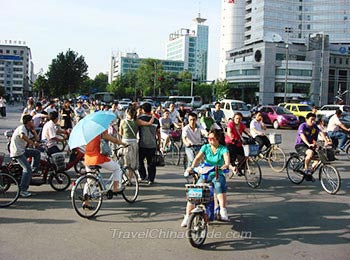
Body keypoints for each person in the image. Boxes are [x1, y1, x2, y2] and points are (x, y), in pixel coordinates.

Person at [181, 129, 230, 227]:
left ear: (218, 139)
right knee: (194, 192)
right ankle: (187, 216)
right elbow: (198, 159)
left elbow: (226, 161)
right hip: (205, 174)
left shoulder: (223, 149)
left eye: (212, 138)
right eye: (209, 138)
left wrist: (225, 165)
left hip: (217, 173)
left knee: (219, 185)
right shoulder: (205, 147)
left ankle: (223, 209)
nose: (210, 140)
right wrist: (192, 167)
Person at [84, 131, 128, 206]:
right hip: (97, 158)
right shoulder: (100, 131)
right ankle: (115, 188)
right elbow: (114, 140)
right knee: (117, 168)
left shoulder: (86, 132)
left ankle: (86, 202)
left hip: (87, 159)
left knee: (90, 181)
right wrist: (123, 144)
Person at [9, 115, 41, 197]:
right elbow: (22, 136)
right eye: (32, 121)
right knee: (27, 169)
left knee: (36, 153)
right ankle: (22, 190)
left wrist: (34, 131)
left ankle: (34, 170)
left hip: (22, 150)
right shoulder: (22, 128)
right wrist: (33, 143)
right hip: (17, 152)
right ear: (28, 122)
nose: (33, 122)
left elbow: (36, 139)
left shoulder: (28, 129)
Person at [295, 113, 330, 179]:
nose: (313, 121)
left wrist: (326, 141)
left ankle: (310, 173)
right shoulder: (303, 126)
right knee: (310, 153)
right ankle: (305, 169)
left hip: (310, 146)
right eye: (311, 120)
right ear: (306, 119)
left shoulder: (314, 126)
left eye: (314, 120)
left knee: (319, 158)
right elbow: (302, 136)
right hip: (300, 145)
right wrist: (308, 144)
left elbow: (320, 132)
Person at [137, 102, 161, 185]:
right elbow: (158, 133)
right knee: (151, 163)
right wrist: (159, 143)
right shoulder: (156, 120)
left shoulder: (140, 119)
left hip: (142, 144)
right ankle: (151, 179)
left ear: (143, 110)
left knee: (140, 161)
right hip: (153, 144)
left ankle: (143, 176)